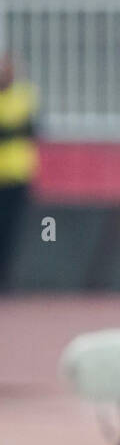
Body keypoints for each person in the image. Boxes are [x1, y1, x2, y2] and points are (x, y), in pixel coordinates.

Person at [0, 54, 38, 292]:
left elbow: (32, 128)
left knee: (12, 231)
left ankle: (6, 278)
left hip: (19, 174)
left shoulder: (25, 95)